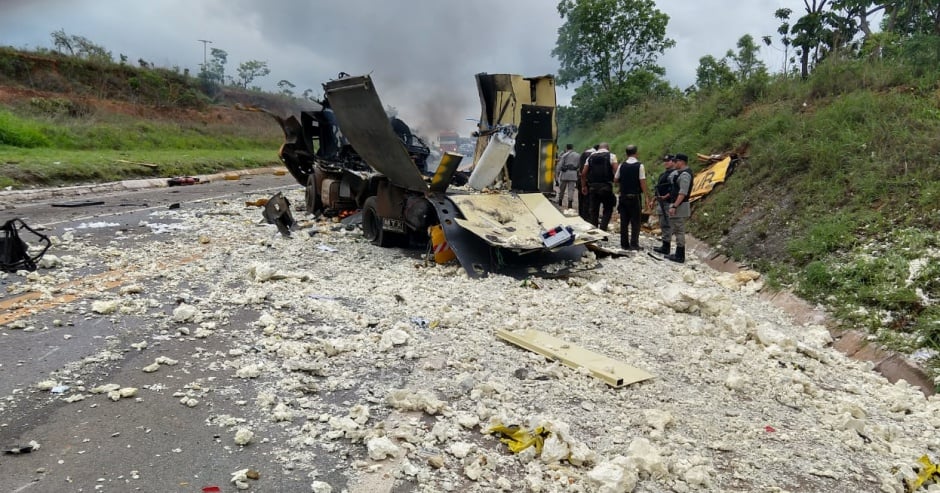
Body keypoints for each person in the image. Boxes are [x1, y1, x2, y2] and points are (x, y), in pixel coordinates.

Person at [615, 144, 648, 250]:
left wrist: (623, 183)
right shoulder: (640, 166)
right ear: (636, 153)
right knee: (635, 221)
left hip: (623, 197)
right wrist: (646, 196)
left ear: (626, 154)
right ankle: (634, 244)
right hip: (635, 197)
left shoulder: (622, 165)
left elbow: (616, 179)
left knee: (624, 221)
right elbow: (642, 182)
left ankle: (624, 244)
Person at [581, 142, 618, 231]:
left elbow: (583, 173)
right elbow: (617, 171)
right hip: (606, 187)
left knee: (594, 210)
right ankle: (603, 228)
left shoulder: (590, 157)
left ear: (598, 148)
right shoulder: (611, 156)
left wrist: (583, 186)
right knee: (608, 209)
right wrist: (616, 182)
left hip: (593, 187)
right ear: (608, 148)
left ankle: (595, 231)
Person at [666, 153, 694, 263]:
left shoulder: (685, 175)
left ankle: (680, 255)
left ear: (681, 162)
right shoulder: (680, 173)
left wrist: (674, 206)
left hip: (680, 206)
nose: (674, 163)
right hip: (679, 205)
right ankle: (678, 253)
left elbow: (682, 193)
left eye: (676, 161)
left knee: (679, 230)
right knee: (677, 230)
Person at [651, 154, 675, 254]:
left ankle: (666, 246)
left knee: (667, 224)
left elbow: (674, 189)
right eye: (665, 161)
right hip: (661, 202)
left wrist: (665, 197)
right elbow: (658, 189)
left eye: (668, 161)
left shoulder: (674, 174)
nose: (666, 163)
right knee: (663, 223)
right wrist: (653, 200)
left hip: (668, 202)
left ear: (673, 162)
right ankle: (664, 245)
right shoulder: (663, 174)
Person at [555, 143, 580, 209]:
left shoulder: (564, 155)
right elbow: (579, 165)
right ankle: (570, 202)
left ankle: (560, 200)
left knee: (562, 188)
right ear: (572, 148)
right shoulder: (578, 155)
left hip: (565, 174)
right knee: (571, 189)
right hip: (573, 174)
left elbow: (560, 165)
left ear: (566, 148)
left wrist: (557, 173)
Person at [577, 145, 597, 221]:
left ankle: (581, 215)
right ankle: (587, 217)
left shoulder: (583, 154)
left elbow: (580, 169)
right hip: (589, 180)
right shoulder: (593, 155)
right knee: (588, 200)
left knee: (581, 198)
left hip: (580, 179)